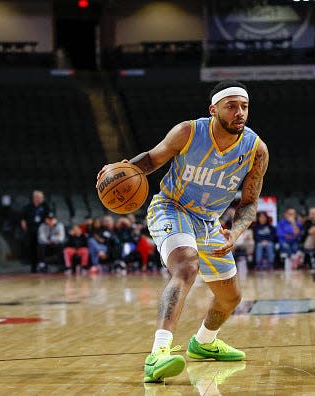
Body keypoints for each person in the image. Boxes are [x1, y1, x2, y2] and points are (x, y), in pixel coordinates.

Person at [96, 80, 268, 383]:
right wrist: (123, 170)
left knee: (231, 298)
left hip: (210, 222)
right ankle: (158, 354)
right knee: (187, 266)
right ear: (213, 110)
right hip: (172, 207)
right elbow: (151, 159)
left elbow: (250, 203)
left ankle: (203, 343)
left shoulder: (256, 150)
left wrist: (237, 231)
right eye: (232, 106)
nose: (240, 113)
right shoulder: (189, 132)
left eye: (244, 106)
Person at [20, 190, 50, 272]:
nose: (42, 198)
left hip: (42, 230)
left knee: (42, 248)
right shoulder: (27, 207)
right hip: (31, 230)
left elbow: (49, 217)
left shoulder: (45, 206)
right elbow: (23, 220)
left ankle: (43, 265)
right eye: (40, 197)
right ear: (35, 198)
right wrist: (25, 228)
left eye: (42, 197)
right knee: (32, 248)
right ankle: (33, 267)